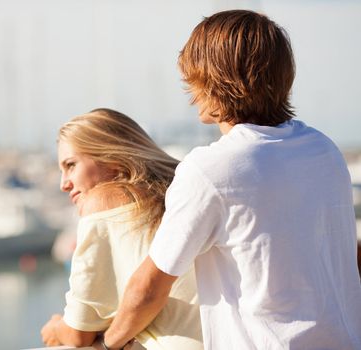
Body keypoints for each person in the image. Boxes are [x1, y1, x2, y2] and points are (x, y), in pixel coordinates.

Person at [102, 10, 361, 350]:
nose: (190, 91)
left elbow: (150, 288)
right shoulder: (324, 150)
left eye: (193, 78)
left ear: (212, 81)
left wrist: (107, 344)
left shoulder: (211, 169)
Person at [40, 108, 203, 349]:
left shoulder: (103, 202)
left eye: (71, 165)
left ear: (113, 160)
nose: (64, 184)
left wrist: (54, 327)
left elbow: (79, 332)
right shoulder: (179, 195)